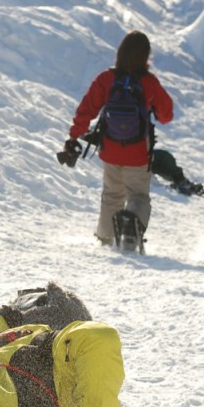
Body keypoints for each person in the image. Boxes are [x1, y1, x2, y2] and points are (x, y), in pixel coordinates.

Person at [63, 30, 174, 250]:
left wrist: (74, 136)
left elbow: (86, 109)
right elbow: (166, 114)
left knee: (112, 195)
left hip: (111, 150)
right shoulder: (148, 83)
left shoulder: (106, 78)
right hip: (138, 154)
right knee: (139, 196)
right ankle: (131, 231)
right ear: (145, 56)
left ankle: (106, 238)